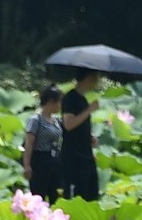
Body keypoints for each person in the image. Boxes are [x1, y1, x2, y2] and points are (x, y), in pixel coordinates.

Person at [60, 69, 101, 200]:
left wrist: (89, 138)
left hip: (86, 156)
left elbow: (79, 127)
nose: (98, 82)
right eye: (96, 78)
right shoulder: (70, 98)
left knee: (91, 194)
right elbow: (69, 124)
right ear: (89, 78)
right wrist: (89, 110)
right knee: (76, 197)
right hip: (73, 157)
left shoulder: (83, 99)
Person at [22, 86, 64, 203]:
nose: (61, 105)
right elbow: (29, 144)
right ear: (51, 101)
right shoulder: (36, 120)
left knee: (55, 194)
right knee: (39, 194)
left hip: (54, 160)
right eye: (59, 101)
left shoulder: (56, 120)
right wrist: (27, 165)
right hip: (39, 160)